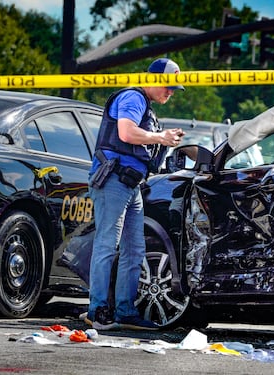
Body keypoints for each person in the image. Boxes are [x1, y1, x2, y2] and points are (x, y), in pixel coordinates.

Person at [85, 57, 185, 331]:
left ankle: (125, 312)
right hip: (114, 181)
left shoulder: (145, 106)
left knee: (135, 249)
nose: (171, 92)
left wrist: (163, 141)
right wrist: (161, 137)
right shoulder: (133, 97)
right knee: (108, 245)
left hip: (131, 184)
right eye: (168, 86)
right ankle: (97, 312)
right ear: (152, 79)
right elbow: (126, 133)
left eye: (174, 88)